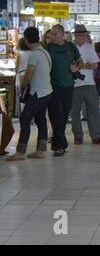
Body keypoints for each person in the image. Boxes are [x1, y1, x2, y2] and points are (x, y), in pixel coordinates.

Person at [6, 27, 52, 161]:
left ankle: (20, 152)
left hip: (37, 92)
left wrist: (22, 86)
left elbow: (28, 74)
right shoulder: (44, 52)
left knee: (24, 119)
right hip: (47, 91)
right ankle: (41, 150)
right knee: (40, 119)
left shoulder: (34, 54)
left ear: (26, 40)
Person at [46, 24, 84, 157]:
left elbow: (80, 61)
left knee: (63, 116)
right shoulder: (48, 48)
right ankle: (61, 146)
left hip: (68, 86)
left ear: (62, 34)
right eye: (51, 34)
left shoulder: (71, 47)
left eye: (55, 34)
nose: (52, 36)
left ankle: (57, 144)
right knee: (55, 115)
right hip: (52, 86)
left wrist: (76, 67)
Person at [71, 25, 100, 145]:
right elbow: (71, 65)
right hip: (74, 85)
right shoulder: (70, 47)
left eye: (84, 35)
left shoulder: (89, 47)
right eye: (80, 35)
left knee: (94, 110)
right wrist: (86, 65)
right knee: (75, 112)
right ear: (75, 36)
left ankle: (96, 136)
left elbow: (96, 65)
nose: (82, 37)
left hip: (90, 83)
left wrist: (81, 65)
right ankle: (78, 136)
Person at [15, 38, 32, 116]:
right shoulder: (32, 53)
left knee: (22, 95)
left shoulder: (19, 53)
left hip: (21, 75)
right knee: (29, 95)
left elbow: (16, 68)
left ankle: (22, 114)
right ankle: (30, 114)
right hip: (30, 75)